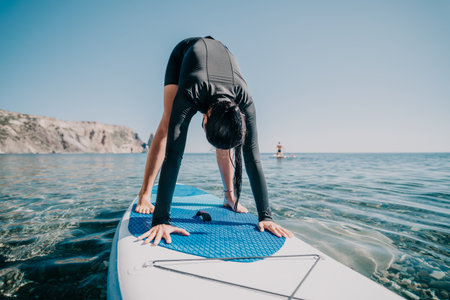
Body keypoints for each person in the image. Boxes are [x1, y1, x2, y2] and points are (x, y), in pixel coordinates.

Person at [137, 36, 293, 245]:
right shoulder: (191, 92)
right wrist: (161, 219)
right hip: (185, 53)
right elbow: (173, 155)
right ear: (205, 117)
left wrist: (266, 216)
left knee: (227, 133)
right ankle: (145, 193)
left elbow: (253, 159)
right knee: (167, 124)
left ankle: (229, 197)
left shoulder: (244, 101)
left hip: (222, 61)